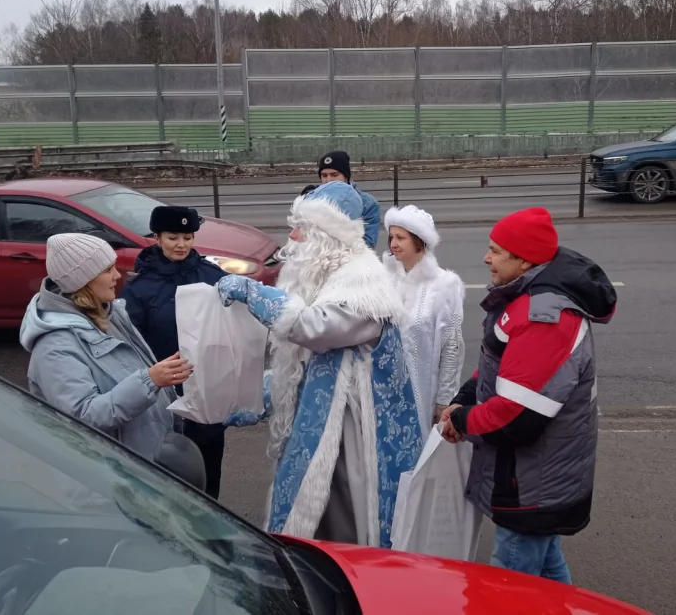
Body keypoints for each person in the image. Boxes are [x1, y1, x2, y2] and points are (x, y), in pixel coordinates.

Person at [216, 181, 422, 549]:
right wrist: (259, 396)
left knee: (346, 518)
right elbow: (306, 365)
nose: (292, 238)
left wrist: (254, 293)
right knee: (314, 516)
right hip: (322, 423)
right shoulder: (323, 278)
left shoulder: (364, 287)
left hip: (351, 434)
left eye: (302, 229)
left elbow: (312, 327)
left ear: (328, 237)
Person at [440, 208, 617, 585]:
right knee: (547, 573)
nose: (486, 258)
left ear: (524, 261)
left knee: (510, 587)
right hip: (535, 475)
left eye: (495, 251)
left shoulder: (542, 318)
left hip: (531, 481)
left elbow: (516, 417)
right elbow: (502, 368)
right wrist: (466, 396)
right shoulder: (526, 296)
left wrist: (461, 420)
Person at [21, 233, 192, 461]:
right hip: (113, 471)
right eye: (107, 270)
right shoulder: (54, 347)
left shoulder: (109, 313)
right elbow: (82, 416)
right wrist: (150, 381)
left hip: (142, 459)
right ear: (83, 280)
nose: (117, 275)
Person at [121, 205, 229, 499]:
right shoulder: (139, 288)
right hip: (164, 396)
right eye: (172, 237)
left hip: (208, 394)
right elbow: (130, 345)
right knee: (165, 480)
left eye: (187, 237)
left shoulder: (213, 276)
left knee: (208, 477)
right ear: (156, 238)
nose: (181, 244)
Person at [382, 205, 465, 436]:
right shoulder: (384, 279)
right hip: (383, 390)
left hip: (422, 391)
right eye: (391, 237)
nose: (393, 243)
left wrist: (444, 399)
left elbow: (451, 346)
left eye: (401, 238)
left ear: (419, 241)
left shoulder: (444, 285)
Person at [318, 150, 381, 248]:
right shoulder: (312, 200)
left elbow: (367, 245)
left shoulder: (368, 204)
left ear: (346, 176)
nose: (328, 180)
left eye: (334, 175)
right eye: (324, 175)